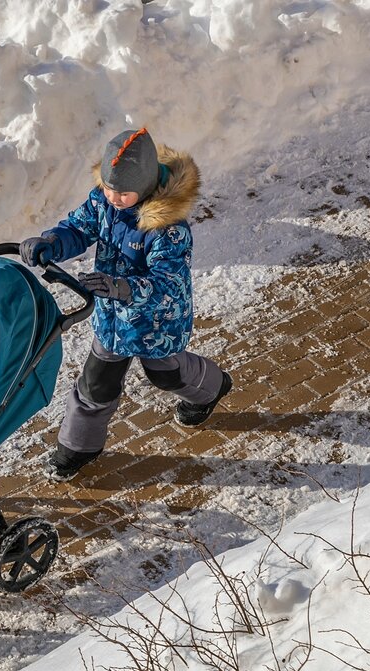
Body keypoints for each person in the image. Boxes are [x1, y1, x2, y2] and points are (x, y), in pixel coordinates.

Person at [20, 127, 232, 481]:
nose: (113, 197)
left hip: (156, 320)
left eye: (122, 192)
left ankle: (212, 387)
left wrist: (122, 287)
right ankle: (77, 448)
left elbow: (168, 284)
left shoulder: (168, 229)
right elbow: (79, 228)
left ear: (146, 185)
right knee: (95, 384)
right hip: (112, 317)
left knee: (166, 374)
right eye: (108, 187)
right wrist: (51, 242)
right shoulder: (104, 201)